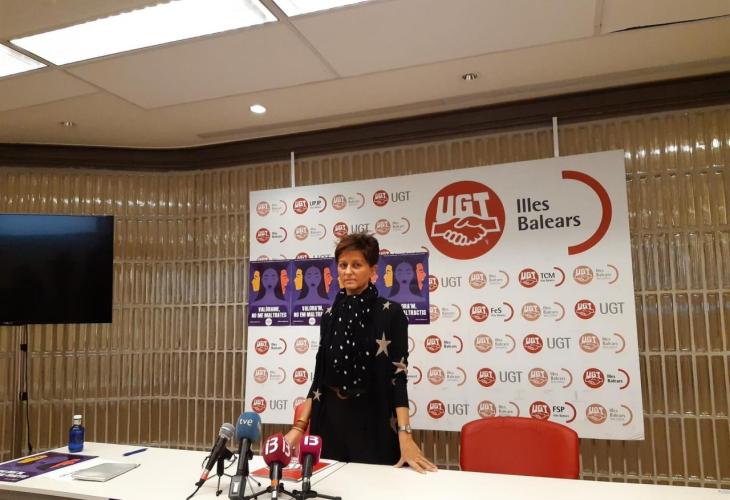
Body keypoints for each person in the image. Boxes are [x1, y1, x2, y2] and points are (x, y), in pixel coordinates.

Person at [284, 233, 437, 473]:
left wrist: (405, 435)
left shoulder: (391, 313)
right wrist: (299, 428)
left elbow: (398, 377)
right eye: (343, 265)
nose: (348, 272)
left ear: (372, 269)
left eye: (356, 265)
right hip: (330, 422)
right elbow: (319, 377)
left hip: (373, 421)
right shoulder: (329, 315)